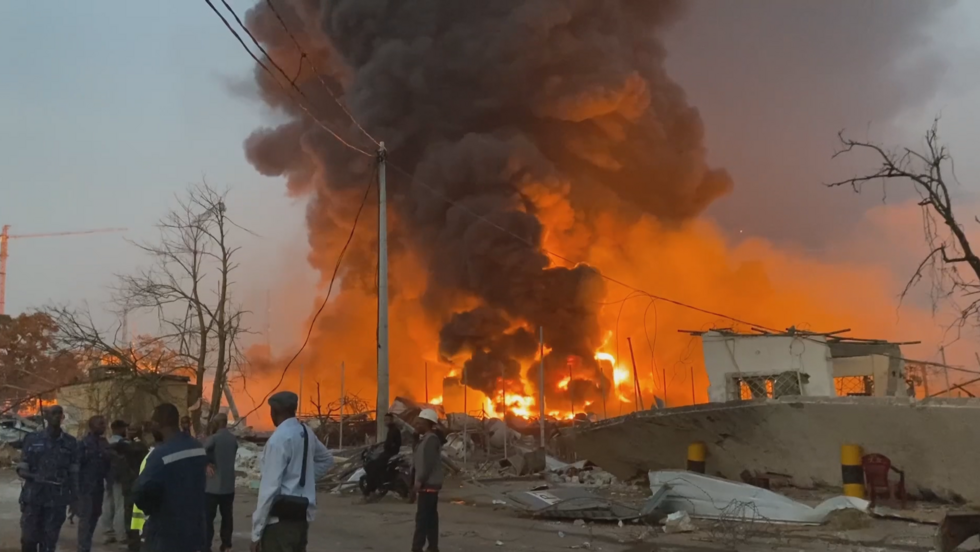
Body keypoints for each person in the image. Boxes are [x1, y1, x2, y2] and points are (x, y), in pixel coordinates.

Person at [251, 391, 334, 552]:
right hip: (302, 518)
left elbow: (269, 489)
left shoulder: (278, 439)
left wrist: (256, 533)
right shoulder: (306, 432)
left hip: (279, 521)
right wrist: (304, 479)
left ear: (275, 411)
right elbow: (327, 460)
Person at [132, 404, 207, 552]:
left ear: (157, 424)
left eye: (152, 423)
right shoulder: (197, 447)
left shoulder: (160, 454)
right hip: (195, 530)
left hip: (166, 534)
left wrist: (152, 508)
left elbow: (139, 491)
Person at [18, 404, 79, 552]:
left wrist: (75, 499)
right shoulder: (32, 439)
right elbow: (21, 469)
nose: (57, 416)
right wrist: (36, 477)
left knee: (49, 541)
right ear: (46, 416)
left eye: (60, 413)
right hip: (33, 498)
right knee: (29, 540)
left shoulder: (70, 442)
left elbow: (74, 473)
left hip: (57, 499)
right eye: (53, 413)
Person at [411, 408, 445, 552]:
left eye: (420, 423)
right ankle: (433, 547)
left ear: (428, 423)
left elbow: (428, 463)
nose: (417, 425)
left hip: (428, 485)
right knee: (430, 519)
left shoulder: (431, 440)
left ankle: (417, 548)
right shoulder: (425, 439)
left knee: (422, 520)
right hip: (428, 485)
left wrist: (418, 481)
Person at [204, 415, 238, 552]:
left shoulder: (214, 438)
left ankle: (206, 545)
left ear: (217, 424)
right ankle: (226, 544)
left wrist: (206, 464)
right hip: (229, 485)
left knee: (208, 518)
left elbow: (201, 451)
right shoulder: (233, 439)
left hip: (212, 486)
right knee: (227, 517)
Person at [77, 415, 111, 552]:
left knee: (95, 515)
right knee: (85, 519)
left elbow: (109, 464)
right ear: (92, 426)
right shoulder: (83, 444)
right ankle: (83, 548)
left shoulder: (104, 443)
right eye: (100, 424)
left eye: (104, 424)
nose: (103, 426)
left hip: (98, 486)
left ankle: (86, 545)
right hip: (85, 488)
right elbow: (76, 467)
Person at [102, 419, 129, 544]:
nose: (126, 430)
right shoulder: (123, 443)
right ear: (118, 429)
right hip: (119, 477)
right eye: (124, 428)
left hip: (108, 477)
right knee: (120, 506)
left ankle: (108, 532)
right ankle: (120, 534)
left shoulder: (107, 442)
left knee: (108, 504)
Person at [364, 412, 402, 495]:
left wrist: (389, 447)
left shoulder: (395, 430)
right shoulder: (391, 430)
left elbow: (395, 443)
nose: (385, 421)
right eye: (385, 420)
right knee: (373, 466)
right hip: (387, 453)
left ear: (392, 420)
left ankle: (370, 490)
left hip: (389, 454)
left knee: (371, 467)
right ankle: (378, 484)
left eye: (387, 420)